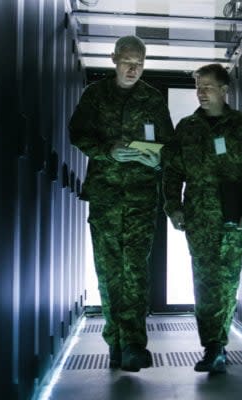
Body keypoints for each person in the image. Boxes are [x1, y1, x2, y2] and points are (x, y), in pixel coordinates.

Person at [68, 35, 174, 372]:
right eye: (128, 61)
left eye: (139, 63)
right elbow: (78, 134)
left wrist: (157, 161)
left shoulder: (153, 100)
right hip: (106, 196)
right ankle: (115, 340)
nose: (133, 68)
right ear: (114, 58)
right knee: (110, 271)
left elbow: (169, 145)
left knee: (136, 271)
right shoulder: (95, 95)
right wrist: (107, 151)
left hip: (142, 198)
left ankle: (133, 345)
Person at [161, 63, 242, 373]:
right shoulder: (187, 128)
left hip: (236, 216)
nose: (201, 92)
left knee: (228, 282)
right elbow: (172, 172)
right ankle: (213, 346)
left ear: (224, 90)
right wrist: (174, 207)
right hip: (200, 216)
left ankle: (218, 343)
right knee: (206, 281)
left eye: (207, 86)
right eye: (198, 87)